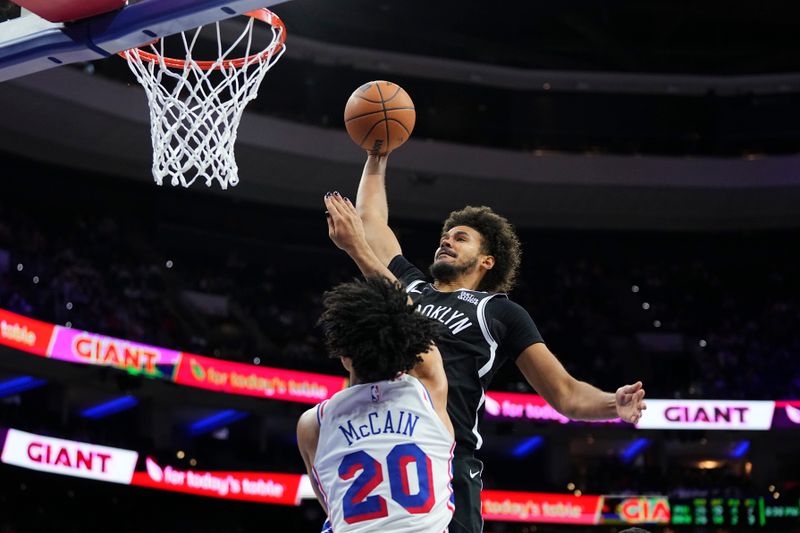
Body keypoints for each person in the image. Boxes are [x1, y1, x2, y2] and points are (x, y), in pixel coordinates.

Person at [341, 153, 648, 533]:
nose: (446, 241)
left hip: (445, 459)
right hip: (376, 448)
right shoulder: (410, 285)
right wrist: (377, 155)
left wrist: (611, 405)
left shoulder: (499, 313)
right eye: (445, 236)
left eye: (460, 238)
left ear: (486, 261)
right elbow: (370, 224)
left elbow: (565, 393)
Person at [296, 273, 456, 532]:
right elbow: (414, 321)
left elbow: (332, 503)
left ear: (344, 356)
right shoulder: (427, 388)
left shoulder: (312, 425)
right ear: (407, 347)